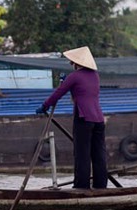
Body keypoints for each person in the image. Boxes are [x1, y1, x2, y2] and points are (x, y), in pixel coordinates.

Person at [35, 46, 108, 189]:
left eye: (72, 61)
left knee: (82, 154)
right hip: (99, 119)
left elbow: (58, 93)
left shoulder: (75, 76)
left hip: (83, 118)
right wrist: (66, 83)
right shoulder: (95, 75)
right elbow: (80, 93)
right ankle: (101, 186)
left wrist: (45, 106)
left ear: (77, 63)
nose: (70, 64)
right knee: (99, 154)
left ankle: (82, 187)